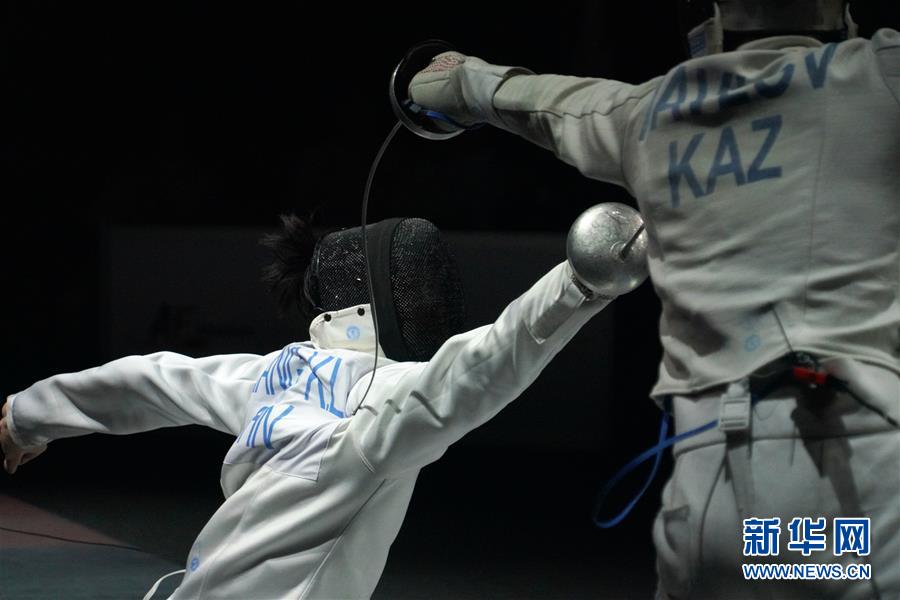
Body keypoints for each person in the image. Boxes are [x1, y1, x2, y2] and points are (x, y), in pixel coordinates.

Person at [406, 1, 899, 598]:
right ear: (840, 17)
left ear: (711, 19)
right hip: (853, 487)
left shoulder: (650, 111)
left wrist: (451, 78)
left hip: (711, 492)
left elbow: (517, 98)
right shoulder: (880, 75)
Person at [0, 214, 635, 599]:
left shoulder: (277, 373)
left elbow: (151, 380)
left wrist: (24, 417)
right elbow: (490, 362)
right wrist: (577, 283)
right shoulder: (382, 404)